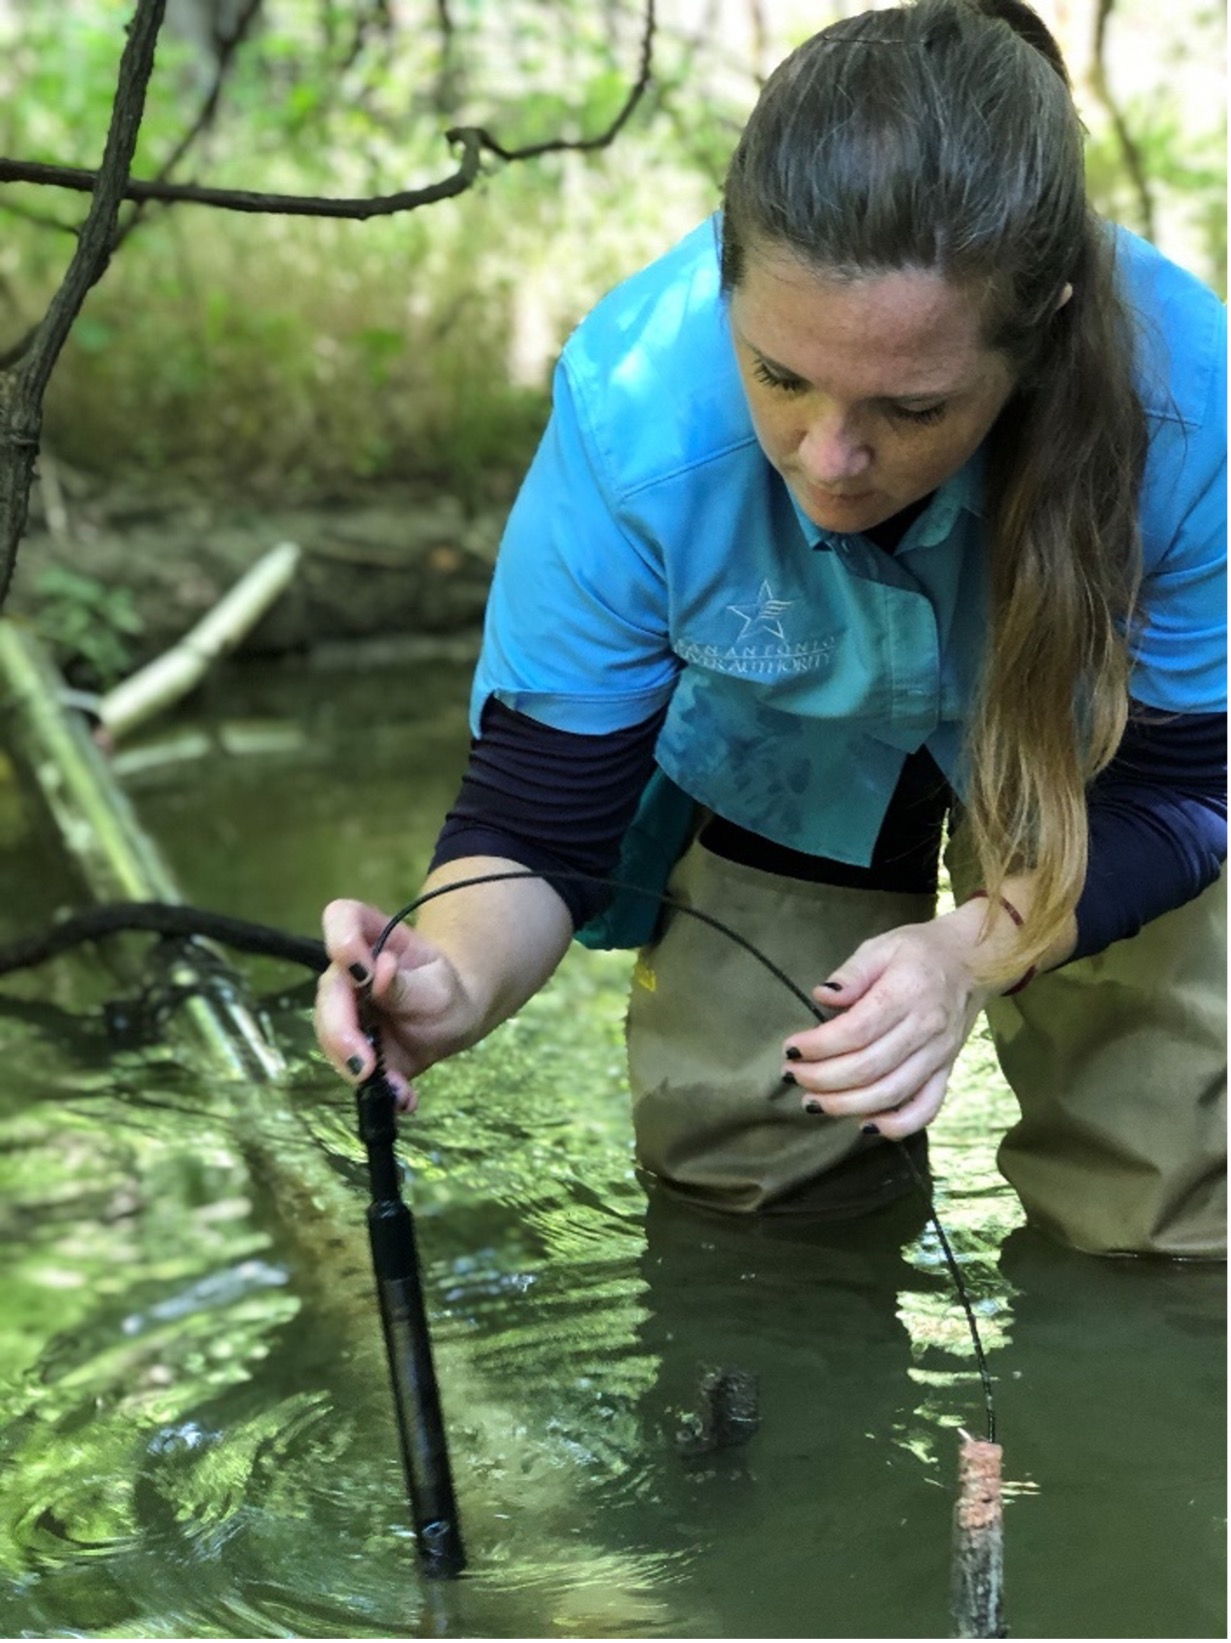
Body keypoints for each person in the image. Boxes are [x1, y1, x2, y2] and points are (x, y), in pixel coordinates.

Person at [316, 0, 1226, 1259]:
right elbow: (536, 819)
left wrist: (968, 951)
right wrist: (450, 979)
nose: (831, 461)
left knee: (1169, 1176)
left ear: (1040, 335)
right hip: (780, 751)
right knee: (745, 1173)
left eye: (911, 407)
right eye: (779, 377)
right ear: (725, 277)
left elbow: (1186, 796)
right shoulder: (634, 408)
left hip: (1091, 768)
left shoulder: (1185, 404)